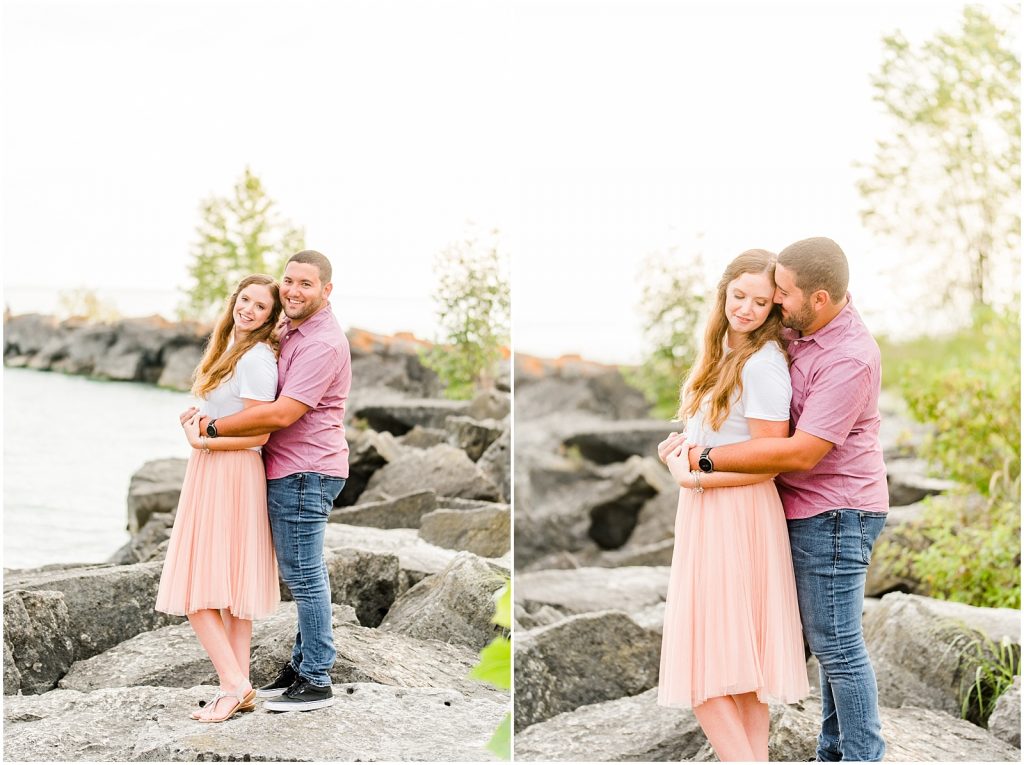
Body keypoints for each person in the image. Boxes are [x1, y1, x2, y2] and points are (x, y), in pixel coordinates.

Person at [683, 237, 889, 762]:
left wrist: (703, 462)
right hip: (795, 507)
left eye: (782, 292)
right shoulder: (802, 334)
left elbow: (796, 453)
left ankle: (861, 757)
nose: (775, 301)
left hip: (837, 510)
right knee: (824, 644)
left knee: (837, 645)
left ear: (818, 298)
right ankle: (831, 752)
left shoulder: (850, 357)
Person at [656, 249, 810, 761]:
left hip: (735, 515)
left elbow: (769, 462)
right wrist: (682, 449)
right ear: (723, 291)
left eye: (760, 302)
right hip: (710, 513)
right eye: (739, 295)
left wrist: (695, 476)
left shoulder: (764, 364)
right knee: (739, 677)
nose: (745, 308)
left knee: (705, 675)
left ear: (773, 309)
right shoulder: (723, 350)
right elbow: (721, 438)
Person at [196, 249, 352, 713]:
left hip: (306, 468)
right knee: (303, 570)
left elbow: (283, 413)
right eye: (289, 281)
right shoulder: (292, 327)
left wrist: (210, 430)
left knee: (303, 575)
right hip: (293, 466)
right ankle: (302, 664)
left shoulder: (322, 342)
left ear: (326, 290)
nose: (293, 290)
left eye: (306, 284)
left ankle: (316, 676)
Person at [156, 274, 282, 723]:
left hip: (230, 471)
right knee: (228, 593)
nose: (248, 310)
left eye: (260, 307)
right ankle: (237, 688)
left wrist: (205, 442)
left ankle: (235, 684)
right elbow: (228, 417)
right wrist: (199, 421)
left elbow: (260, 430)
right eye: (244, 300)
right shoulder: (232, 350)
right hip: (213, 469)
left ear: (271, 317)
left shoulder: (257, 359)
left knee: (197, 590)